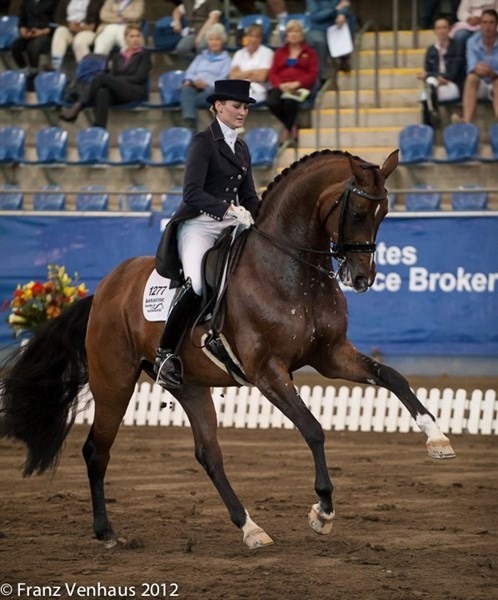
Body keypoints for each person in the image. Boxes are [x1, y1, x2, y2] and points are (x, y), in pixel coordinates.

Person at [154, 79, 260, 389]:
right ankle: (165, 354)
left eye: (245, 108)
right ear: (217, 106)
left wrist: (263, 217)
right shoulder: (203, 142)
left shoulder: (241, 147)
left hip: (231, 223)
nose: (242, 112)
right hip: (199, 223)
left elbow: (249, 196)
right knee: (198, 283)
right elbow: (191, 193)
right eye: (236, 106)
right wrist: (228, 210)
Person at [59, 23, 151, 127]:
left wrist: (116, 81)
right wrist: (115, 82)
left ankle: (77, 107)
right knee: (102, 92)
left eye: (138, 36)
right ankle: (100, 128)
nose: (135, 39)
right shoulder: (118, 56)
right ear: (126, 39)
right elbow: (113, 75)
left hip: (135, 91)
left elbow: (139, 78)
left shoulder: (145, 55)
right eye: (132, 36)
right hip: (120, 92)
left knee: (102, 78)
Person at [266, 19, 319, 146]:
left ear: (302, 34)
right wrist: (280, 85)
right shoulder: (280, 53)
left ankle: (287, 131)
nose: (294, 34)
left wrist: (297, 83)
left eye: (297, 31)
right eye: (290, 31)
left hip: (300, 87)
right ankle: (292, 126)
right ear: (286, 35)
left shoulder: (310, 53)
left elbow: (313, 74)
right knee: (272, 102)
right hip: (282, 85)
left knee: (289, 102)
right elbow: (273, 73)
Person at [180, 23, 231, 131]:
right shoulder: (200, 57)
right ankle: (191, 121)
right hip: (195, 85)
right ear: (207, 42)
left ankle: (191, 126)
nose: (214, 42)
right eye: (211, 39)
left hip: (212, 89)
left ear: (222, 42)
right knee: (186, 90)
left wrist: (206, 83)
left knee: (192, 100)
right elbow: (190, 71)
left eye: (217, 40)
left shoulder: (226, 59)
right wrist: (191, 80)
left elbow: (223, 79)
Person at [417, 16, 466, 126]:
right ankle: (433, 115)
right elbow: (427, 71)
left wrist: (432, 76)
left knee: (425, 95)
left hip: (451, 84)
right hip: (435, 84)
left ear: (449, 29)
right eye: (439, 28)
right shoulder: (431, 50)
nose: (442, 31)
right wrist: (434, 78)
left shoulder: (457, 46)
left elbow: (453, 73)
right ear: (435, 31)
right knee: (428, 88)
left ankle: (431, 121)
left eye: (444, 27)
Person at [459, 8, 498, 122]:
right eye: (484, 22)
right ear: (480, 24)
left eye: (491, 22)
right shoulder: (472, 41)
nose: (488, 26)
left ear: (496, 25)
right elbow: (471, 66)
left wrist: (493, 73)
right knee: (471, 78)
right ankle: (466, 122)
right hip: (480, 83)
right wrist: (478, 69)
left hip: (496, 82)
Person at [306, 0, 356, 83]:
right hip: (319, 28)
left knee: (349, 21)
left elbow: (345, 4)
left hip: (335, 25)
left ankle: (344, 58)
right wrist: (334, 9)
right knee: (318, 40)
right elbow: (316, 16)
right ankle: (322, 76)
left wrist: (341, 13)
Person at [50, 0, 104, 70]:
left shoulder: (97, 1)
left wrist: (88, 27)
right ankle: (55, 67)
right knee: (60, 31)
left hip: (88, 31)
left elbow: (101, 18)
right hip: (70, 28)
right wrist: (69, 24)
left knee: (79, 41)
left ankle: (86, 71)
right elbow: (58, 16)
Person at [229, 23, 274, 104]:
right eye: (250, 36)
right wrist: (252, 72)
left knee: (237, 102)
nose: (253, 39)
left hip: (258, 89)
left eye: (256, 37)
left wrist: (241, 74)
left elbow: (262, 77)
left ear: (261, 38)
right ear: (246, 37)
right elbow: (233, 76)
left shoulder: (267, 52)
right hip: (239, 88)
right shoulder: (239, 53)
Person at [10, 0, 59, 71]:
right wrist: (22, 28)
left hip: (46, 34)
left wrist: (43, 31)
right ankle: (25, 70)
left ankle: (34, 72)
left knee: (33, 47)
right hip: (29, 32)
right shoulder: (27, 1)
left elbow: (56, 23)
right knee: (15, 46)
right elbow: (22, 17)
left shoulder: (54, 2)